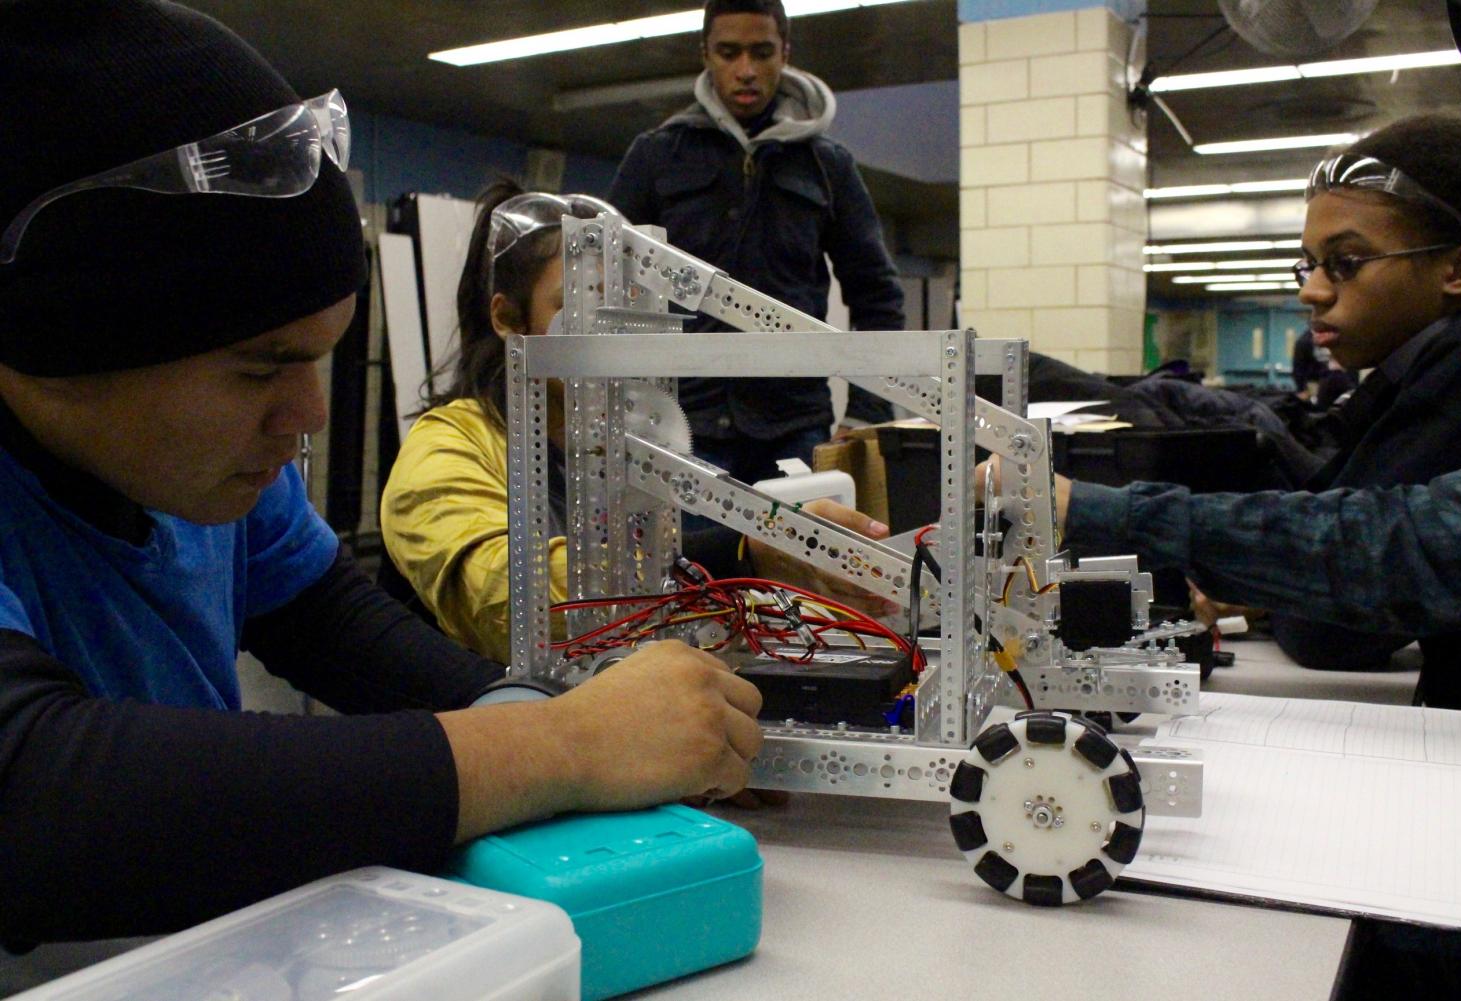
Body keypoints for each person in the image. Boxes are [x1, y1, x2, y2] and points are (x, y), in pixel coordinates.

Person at [0, 0, 764, 952]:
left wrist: (527, 708)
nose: (308, 415)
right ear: (63, 343)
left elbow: (328, 621)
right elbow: (37, 797)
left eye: (320, 359)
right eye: (260, 366)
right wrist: (562, 748)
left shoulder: (212, 472)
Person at [1051, 114, 1461, 710]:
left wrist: (1089, 511)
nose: (1311, 291)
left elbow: (1338, 626)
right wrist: (1270, 579)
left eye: (1346, 262)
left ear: (1459, 270)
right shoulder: (1423, 366)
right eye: (1310, 264)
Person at [380, 182, 894, 665]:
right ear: (508, 320)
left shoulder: (617, 444)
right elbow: (509, 599)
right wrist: (743, 552)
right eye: (578, 306)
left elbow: (659, 603)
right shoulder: (444, 448)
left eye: (623, 306)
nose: (613, 335)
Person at [606, 0, 905, 488]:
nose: (745, 70)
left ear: (784, 53)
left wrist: (866, 412)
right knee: (695, 566)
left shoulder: (827, 166)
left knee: (801, 566)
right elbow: (608, 288)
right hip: (684, 425)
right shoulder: (657, 156)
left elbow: (878, 297)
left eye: (761, 53)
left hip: (795, 425)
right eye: (729, 53)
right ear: (705, 53)